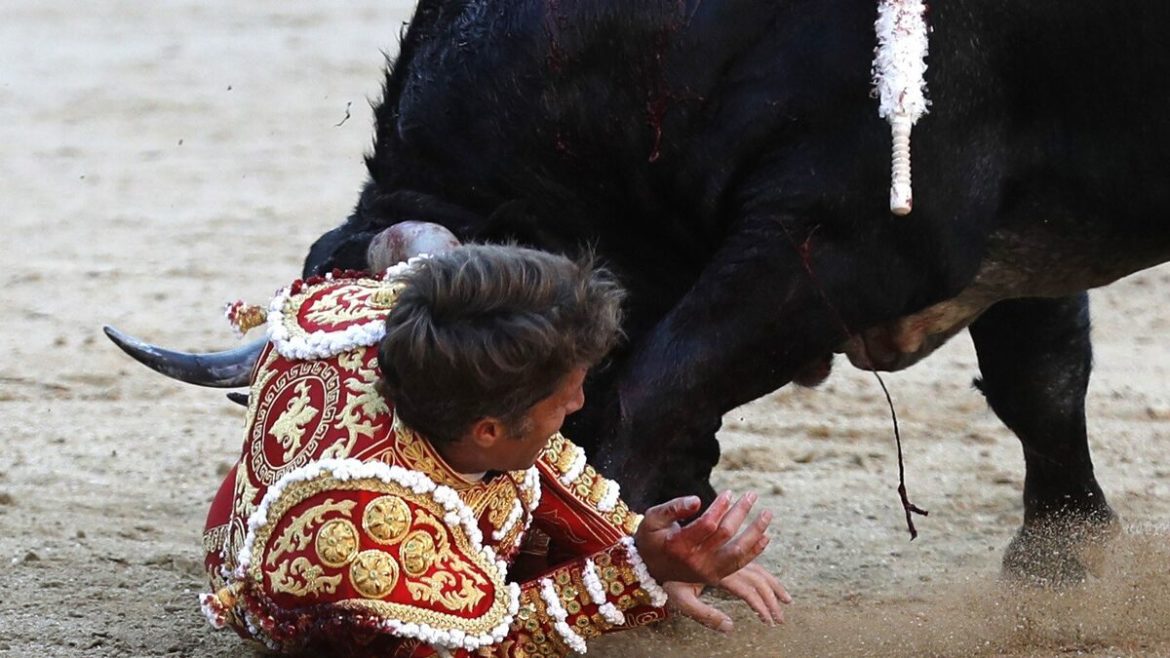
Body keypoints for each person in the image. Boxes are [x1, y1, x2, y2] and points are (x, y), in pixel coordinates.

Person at [198, 244, 789, 657]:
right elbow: (491, 641)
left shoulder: (399, 321)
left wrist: (639, 543)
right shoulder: (372, 530)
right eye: (565, 396)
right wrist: (639, 570)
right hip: (345, 586)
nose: (580, 402)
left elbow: (538, 462)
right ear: (486, 430)